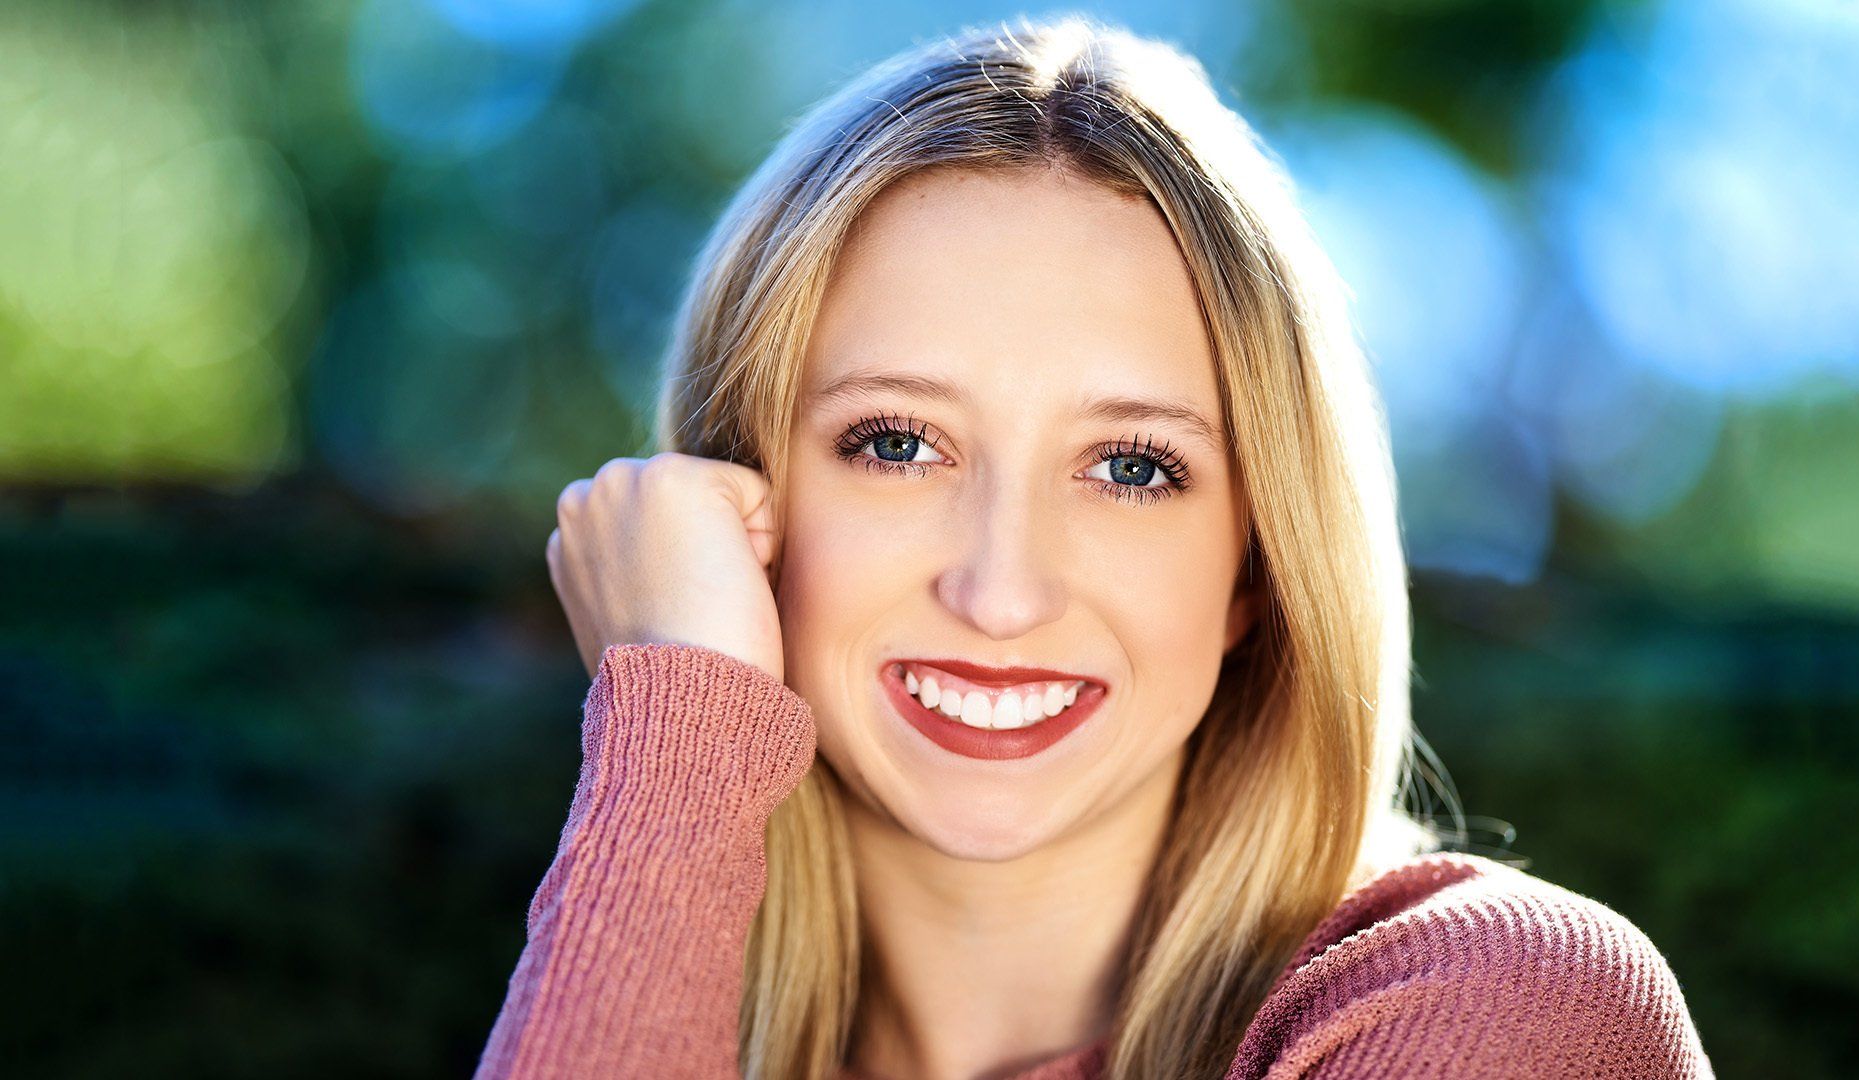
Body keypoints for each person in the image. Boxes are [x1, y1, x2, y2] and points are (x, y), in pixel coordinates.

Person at [474, 15, 1713, 1080]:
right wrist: (682, 721)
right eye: (898, 444)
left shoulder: (1499, 1003)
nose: (1001, 592)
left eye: (1133, 468)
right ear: (734, 507)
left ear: (1256, 566)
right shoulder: (626, 1011)